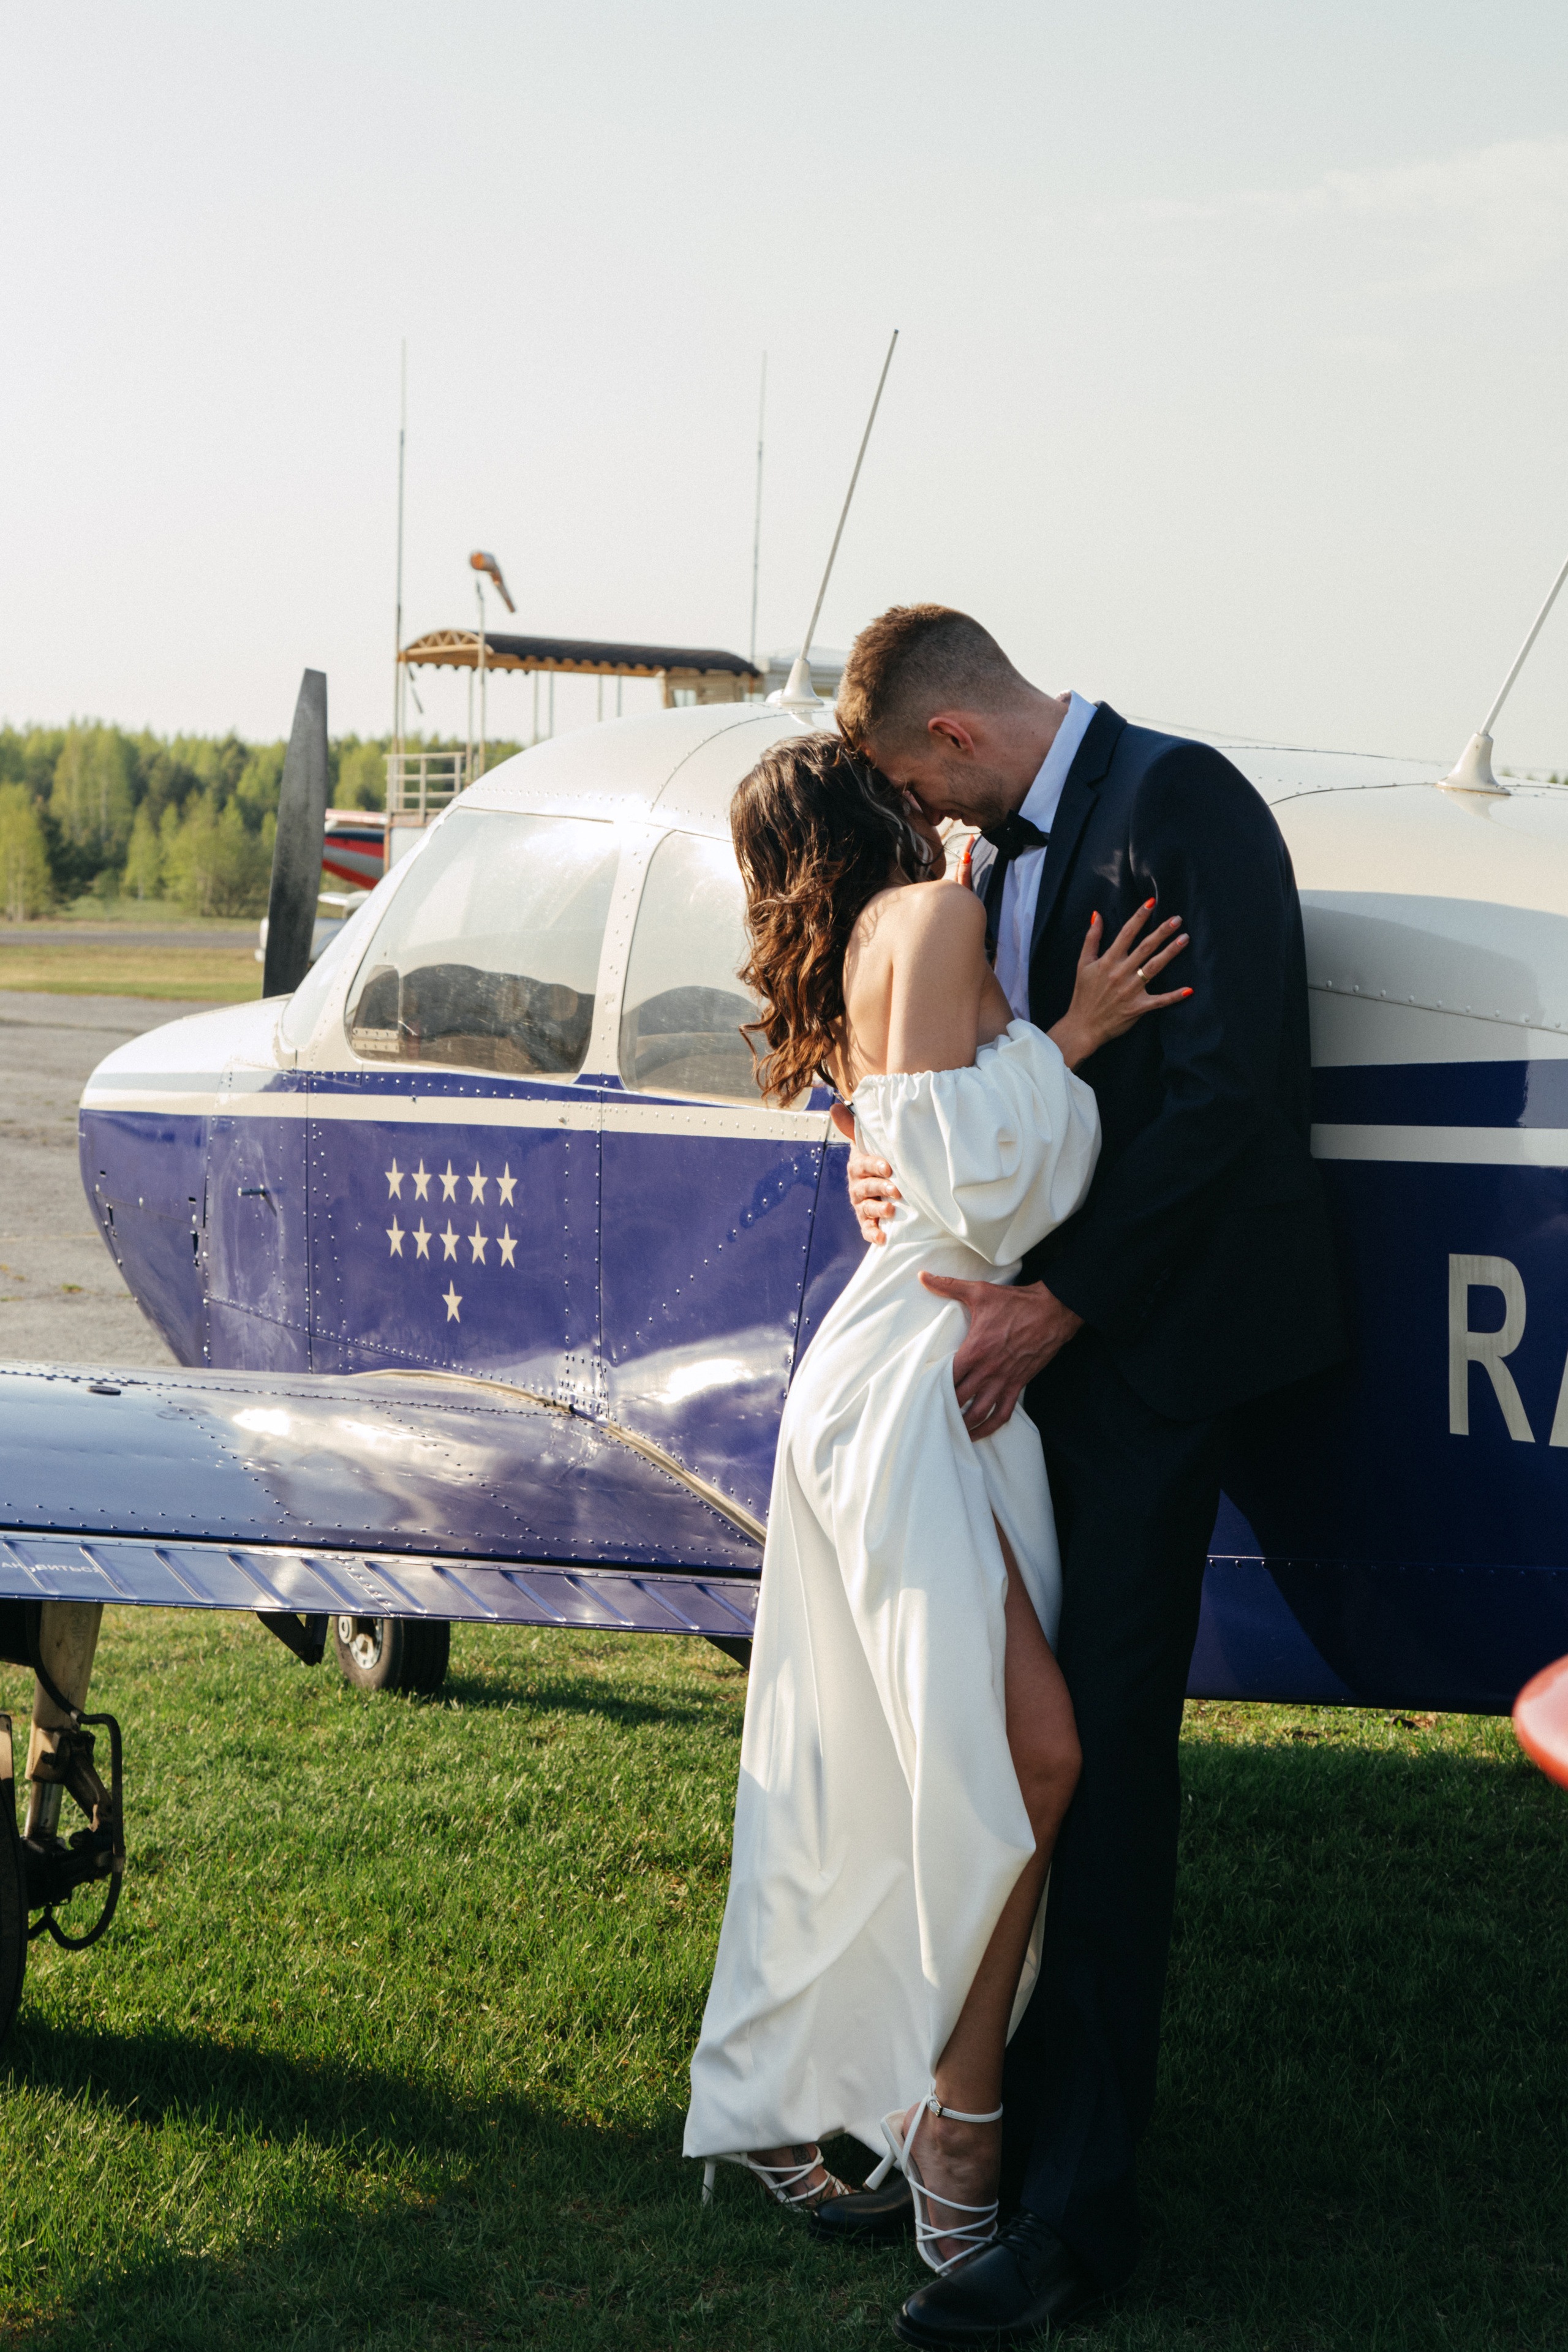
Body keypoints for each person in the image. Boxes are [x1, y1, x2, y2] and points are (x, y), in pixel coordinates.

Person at [827, 606, 1346, 2345]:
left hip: (1154, 1365)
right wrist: (890, 1170)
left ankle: (1073, 2217)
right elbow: (995, 1086)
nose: (922, 822)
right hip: (1034, 1371)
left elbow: (1229, 1110)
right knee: (1012, 1738)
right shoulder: (999, 857)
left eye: (915, 784)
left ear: (956, 742)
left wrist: (1057, 1306)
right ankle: (973, 2104)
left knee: (1106, 1758)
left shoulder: (1186, 807)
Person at [683, 730, 1189, 2326]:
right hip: (920, 1385)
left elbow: (922, 1155)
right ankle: (955, 2133)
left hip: (903, 1373)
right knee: (1015, 1760)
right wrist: (1083, 1035)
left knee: (917, 1758)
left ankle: (858, 2100)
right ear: (892, 800)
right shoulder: (940, 919)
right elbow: (994, 1185)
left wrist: (1018, 1059)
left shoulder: (873, 950)